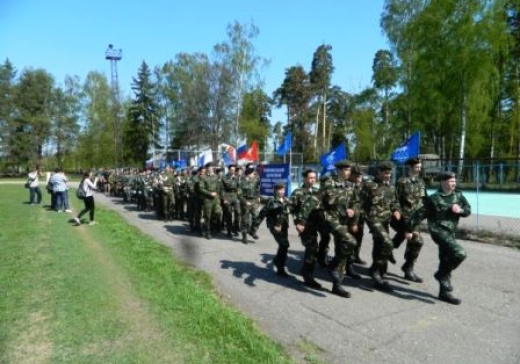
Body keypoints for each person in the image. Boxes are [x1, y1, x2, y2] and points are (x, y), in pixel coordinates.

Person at [409, 171, 471, 305]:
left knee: (446, 259)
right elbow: (419, 214)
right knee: (459, 253)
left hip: (451, 232)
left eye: (454, 181)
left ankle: (444, 293)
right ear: (443, 182)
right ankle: (440, 274)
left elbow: (467, 209)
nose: (453, 183)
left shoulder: (459, 195)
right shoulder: (433, 198)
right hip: (438, 231)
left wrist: (460, 210)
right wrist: (409, 229)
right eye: (450, 181)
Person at [321, 160, 359, 298]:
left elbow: (355, 203)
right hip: (331, 220)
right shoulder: (328, 184)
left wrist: (352, 211)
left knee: (342, 250)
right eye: (346, 170)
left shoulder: (350, 186)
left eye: (349, 170)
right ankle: (331, 266)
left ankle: (337, 285)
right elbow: (319, 203)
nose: (349, 172)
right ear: (338, 170)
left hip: (343, 222)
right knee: (351, 242)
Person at [362, 161, 401, 292]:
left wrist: (396, 210)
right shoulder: (369, 186)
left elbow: (395, 202)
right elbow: (359, 202)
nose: (388, 175)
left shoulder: (390, 187)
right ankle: (376, 272)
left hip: (385, 221)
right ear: (379, 172)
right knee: (387, 243)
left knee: (379, 245)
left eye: (389, 173)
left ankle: (378, 272)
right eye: (385, 173)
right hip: (373, 220)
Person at [391, 157, 428, 283]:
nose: (419, 169)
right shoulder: (402, 181)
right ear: (410, 168)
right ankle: (381, 259)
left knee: (417, 241)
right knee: (400, 239)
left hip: (415, 218)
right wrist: (396, 211)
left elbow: (424, 200)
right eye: (417, 167)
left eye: (420, 167)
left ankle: (408, 268)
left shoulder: (421, 182)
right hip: (403, 217)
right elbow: (395, 199)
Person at [290, 168, 323, 289]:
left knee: (317, 247)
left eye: (314, 177)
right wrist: (297, 223)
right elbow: (291, 209)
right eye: (310, 177)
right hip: (305, 226)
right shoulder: (298, 192)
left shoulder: (317, 191)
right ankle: (307, 276)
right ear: (304, 178)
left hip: (317, 224)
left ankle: (308, 270)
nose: (313, 180)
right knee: (312, 248)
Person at [258, 181, 292, 276]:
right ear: (275, 190)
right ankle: (280, 268)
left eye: (283, 189)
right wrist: (255, 226)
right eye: (279, 190)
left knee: (283, 246)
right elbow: (263, 213)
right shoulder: (271, 201)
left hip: (284, 226)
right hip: (274, 226)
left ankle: (277, 261)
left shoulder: (286, 200)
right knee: (284, 245)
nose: (281, 192)